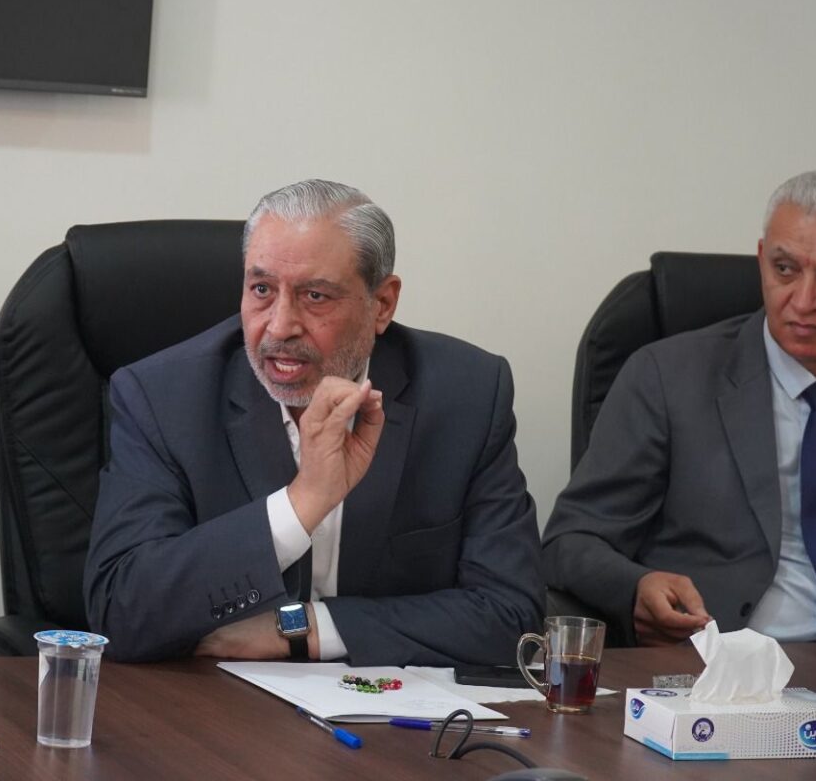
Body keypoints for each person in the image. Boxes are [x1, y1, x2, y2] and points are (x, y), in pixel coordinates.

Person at [83, 179, 543, 666]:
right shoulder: (163, 397)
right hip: (215, 703)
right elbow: (120, 611)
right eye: (262, 290)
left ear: (382, 304)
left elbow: (514, 618)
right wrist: (301, 503)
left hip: (395, 707)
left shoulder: (466, 395)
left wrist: (300, 631)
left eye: (316, 296)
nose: (280, 326)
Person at [542, 169, 816, 646]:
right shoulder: (667, 378)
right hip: (724, 667)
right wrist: (637, 587)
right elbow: (571, 541)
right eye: (785, 269)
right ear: (761, 260)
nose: (804, 301)